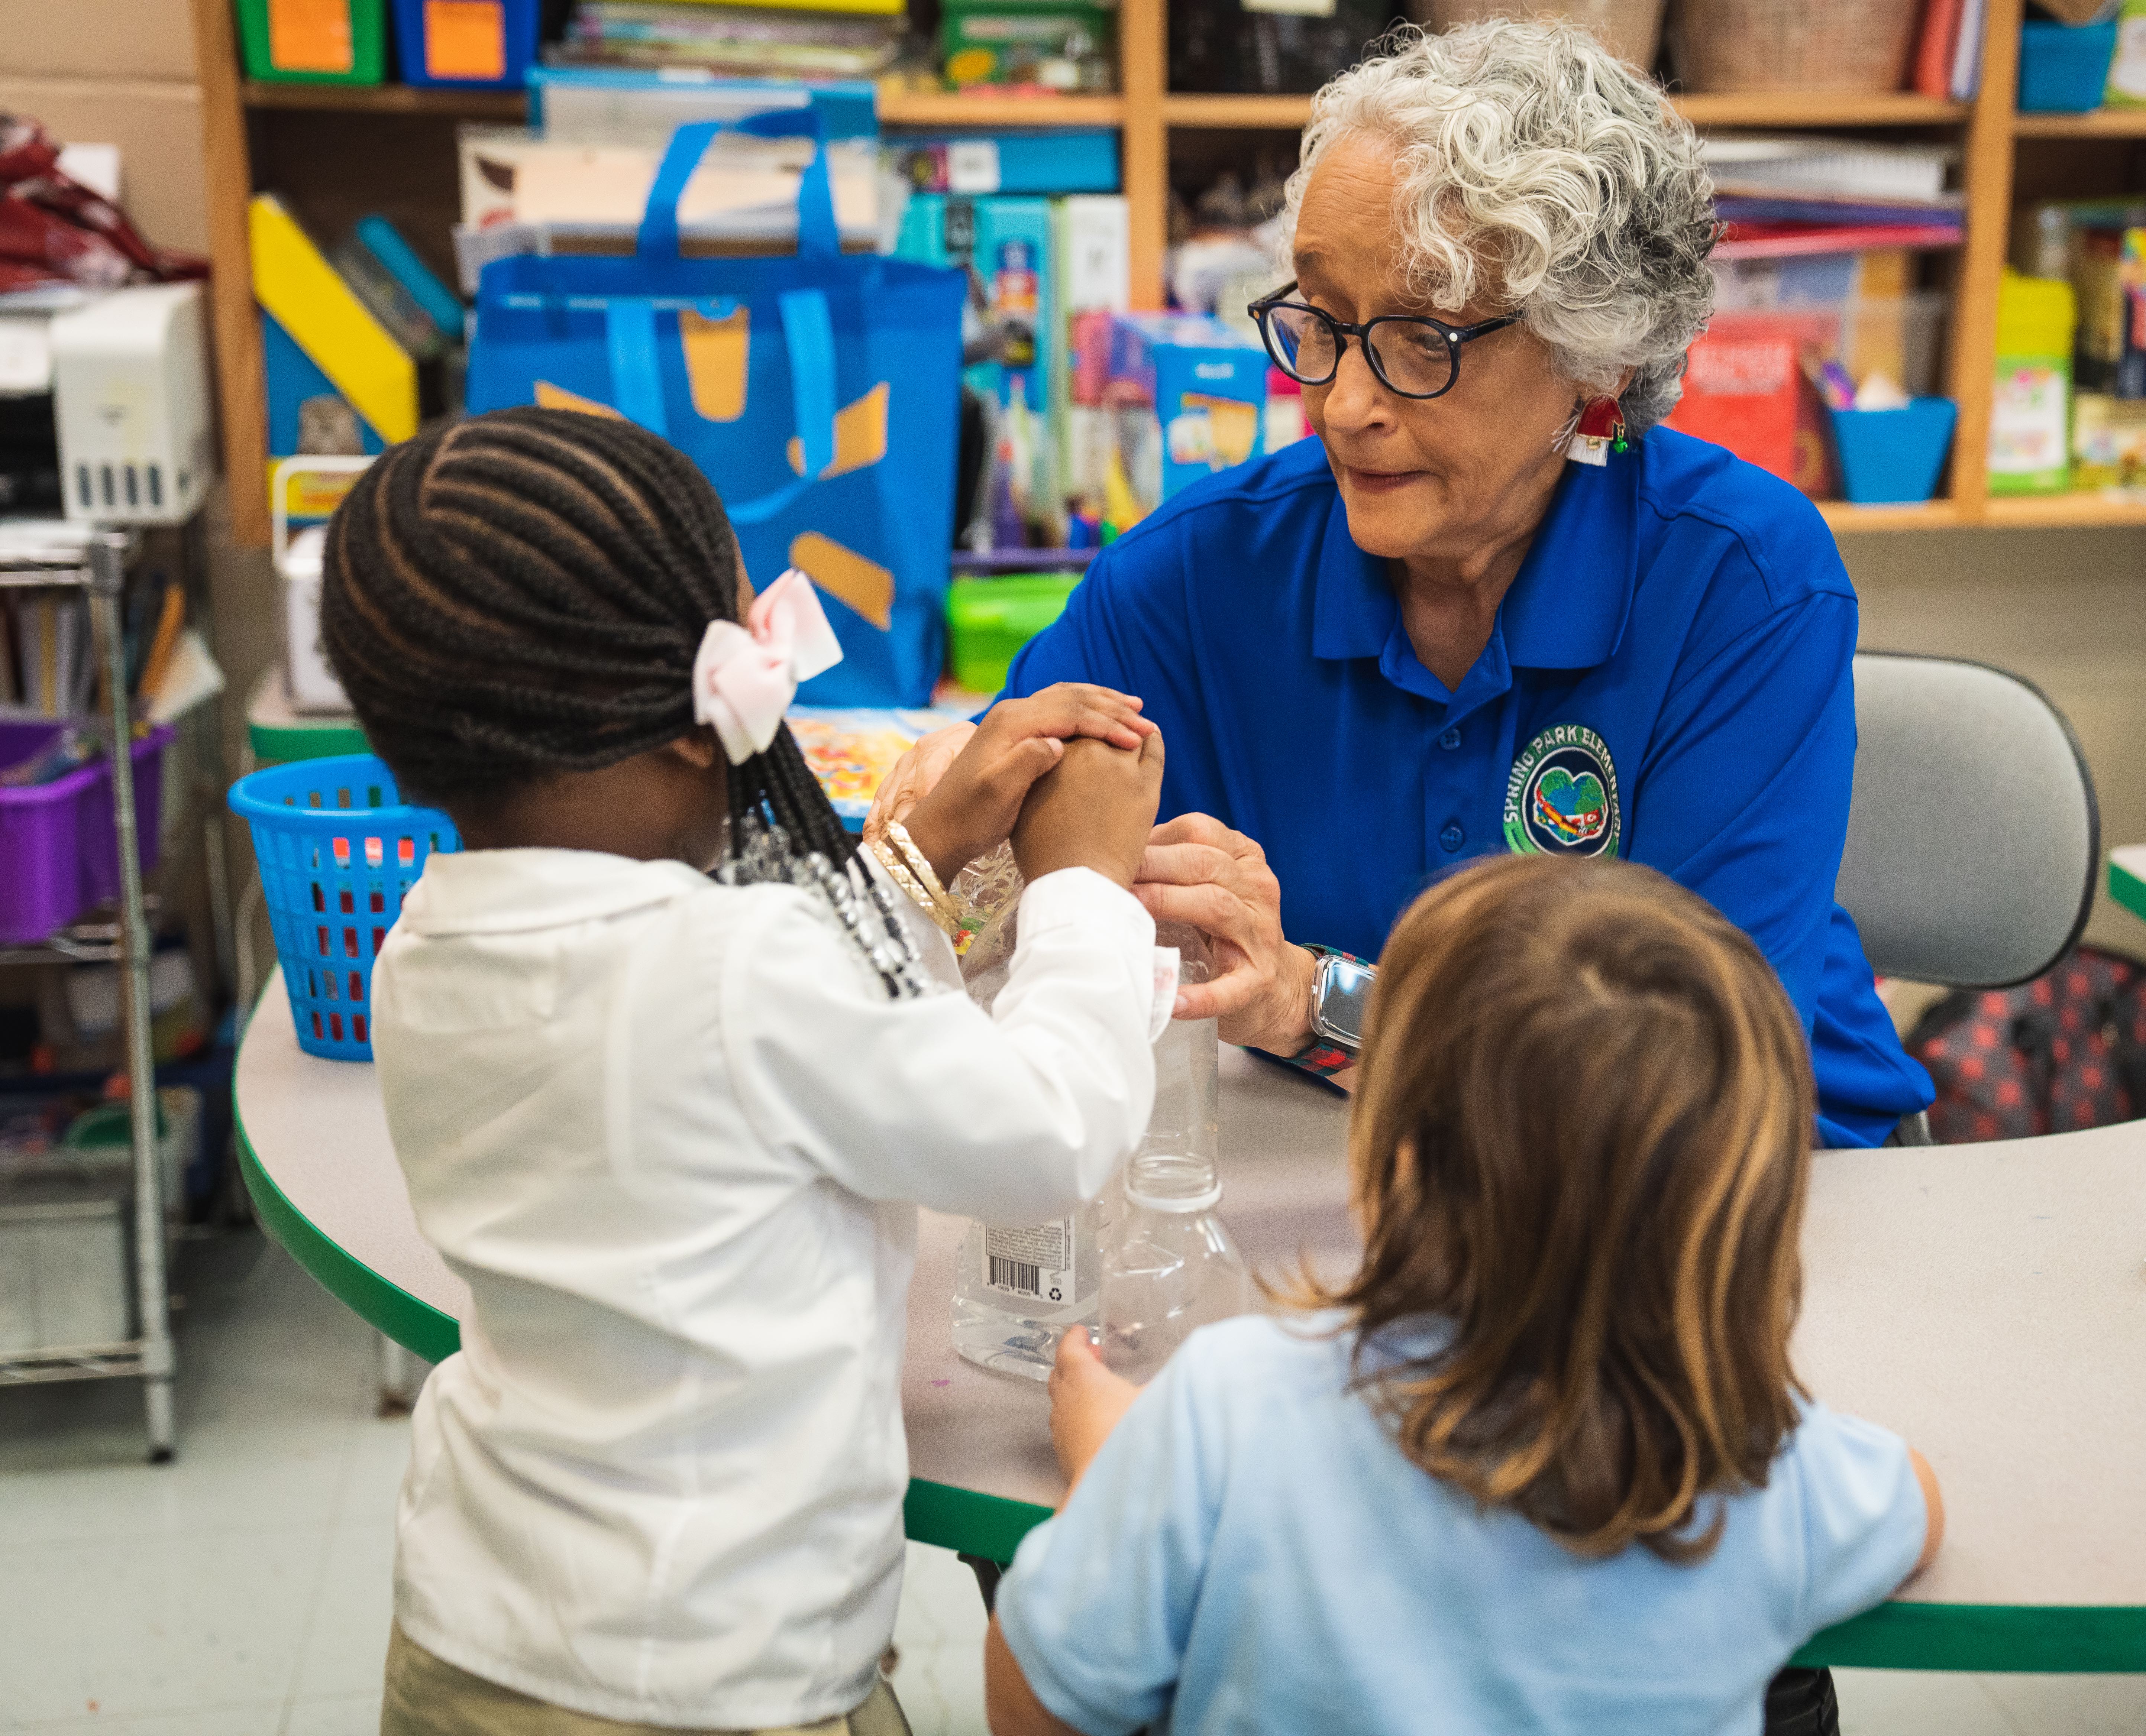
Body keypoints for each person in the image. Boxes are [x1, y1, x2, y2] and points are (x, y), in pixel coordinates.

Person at [884, 18, 1932, 1149]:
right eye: (1324, 325)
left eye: (1424, 341)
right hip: (1353, 1178)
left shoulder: (1738, 583)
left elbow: (1688, 1081)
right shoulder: (1199, 574)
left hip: (1729, 1203)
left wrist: (1309, 1004)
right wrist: (944, 845)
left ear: (1597, 363)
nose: (1344, 405)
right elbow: (979, 896)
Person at [322, 406, 1169, 1735]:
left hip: (469, 1632)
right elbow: (1047, 1128)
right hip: (711, 1678)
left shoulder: (426, 947)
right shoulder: (743, 973)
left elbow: (759, 1035)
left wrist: (917, 859)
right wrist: (1086, 891)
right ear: (691, 727)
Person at [982, 854, 1945, 1736]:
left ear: (1394, 1172)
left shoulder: (1229, 1410)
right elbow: (1918, 1504)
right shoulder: (1758, 1468)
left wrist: (1115, 1473)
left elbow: (1038, 1704)